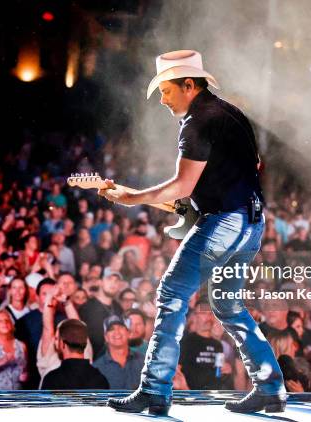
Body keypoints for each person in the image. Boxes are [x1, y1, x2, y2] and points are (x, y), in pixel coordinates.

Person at [101, 50, 285, 415]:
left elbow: (183, 185)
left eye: (167, 91)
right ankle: (270, 387)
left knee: (171, 292)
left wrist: (133, 197)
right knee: (227, 304)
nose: (163, 100)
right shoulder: (233, 114)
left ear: (189, 85)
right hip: (251, 222)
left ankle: (154, 389)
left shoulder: (197, 121)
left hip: (226, 222)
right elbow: (249, 168)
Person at [41, 319, 108, 389]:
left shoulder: (52, 379)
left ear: (63, 344)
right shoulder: (100, 379)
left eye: (58, 339)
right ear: (85, 344)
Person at [78, 269, 123, 357]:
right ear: (100, 282)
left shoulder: (118, 308)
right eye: (109, 279)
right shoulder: (87, 308)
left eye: (116, 281)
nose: (113, 283)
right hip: (93, 360)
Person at [93, 315, 145, 390]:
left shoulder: (144, 362)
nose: (117, 332)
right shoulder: (97, 369)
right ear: (106, 337)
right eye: (111, 329)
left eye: (121, 327)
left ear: (128, 333)